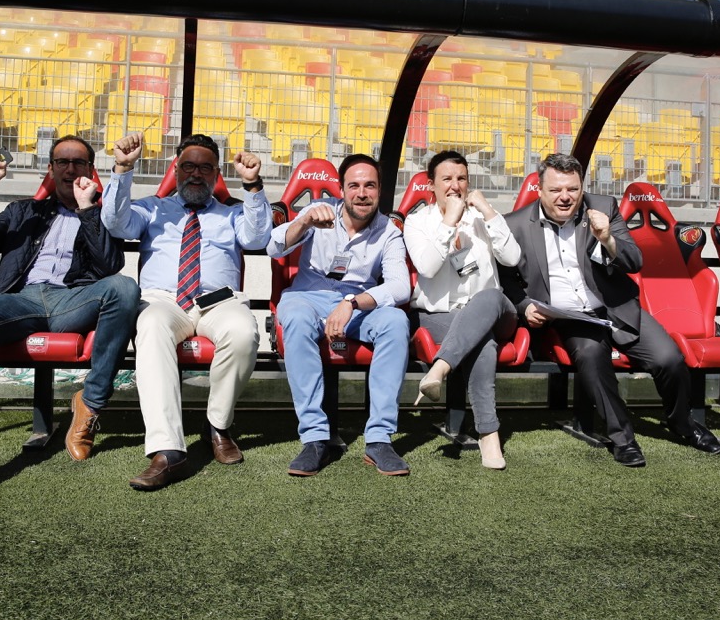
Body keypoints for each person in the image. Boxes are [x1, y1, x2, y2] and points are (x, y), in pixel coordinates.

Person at [0, 135, 141, 501]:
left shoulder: (101, 213)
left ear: (91, 170)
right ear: (51, 169)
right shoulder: (24, 211)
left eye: (79, 162)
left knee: (124, 287)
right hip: (18, 300)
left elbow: (111, 265)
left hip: (73, 301)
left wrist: (88, 211)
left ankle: (90, 401)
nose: (70, 169)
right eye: (62, 162)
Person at [500, 153, 720, 467]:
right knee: (591, 357)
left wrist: (606, 238)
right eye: (556, 190)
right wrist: (524, 307)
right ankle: (623, 438)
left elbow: (634, 261)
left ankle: (683, 423)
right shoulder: (515, 225)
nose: (566, 197)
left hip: (616, 306)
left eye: (573, 189)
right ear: (539, 189)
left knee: (669, 359)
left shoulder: (603, 208)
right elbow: (507, 280)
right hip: (570, 318)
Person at [102, 132, 270, 491]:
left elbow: (257, 239)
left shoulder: (232, 213)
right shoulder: (152, 208)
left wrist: (253, 185)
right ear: (175, 170)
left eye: (205, 167)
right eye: (189, 166)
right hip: (164, 300)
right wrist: (122, 169)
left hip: (217, 302)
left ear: (216, 174)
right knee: (149, 326)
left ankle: (218, 426)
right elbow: (115, 223)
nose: (196, 174)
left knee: (244, 332)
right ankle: (168, 449)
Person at [267, 153, 412, 477]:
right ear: (342, 190)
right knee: (296, 316)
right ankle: (315, 438)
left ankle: (379, 439)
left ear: (379, 190)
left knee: (395, 321)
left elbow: (401, 286)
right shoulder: (318, 212)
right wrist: (303, 221)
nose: (362, 193)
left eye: (370, 186)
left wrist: (351, 303)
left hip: (358, 305)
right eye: (354, 185)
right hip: (308, 297)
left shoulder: (388, 231)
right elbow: (274, 248)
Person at [405, 151, 522, 470]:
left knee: (489, 298)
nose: (455, 185)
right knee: (482, 344)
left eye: (461, 178)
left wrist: (487, 210)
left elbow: (512, 258)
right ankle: (489, 435)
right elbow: (427, 268)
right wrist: (448, 222)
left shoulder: (481, 217)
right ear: (431, 185)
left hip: (496, 312)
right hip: (440, 317)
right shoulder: (417, 222)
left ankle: (439, 369)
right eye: (446, 179)